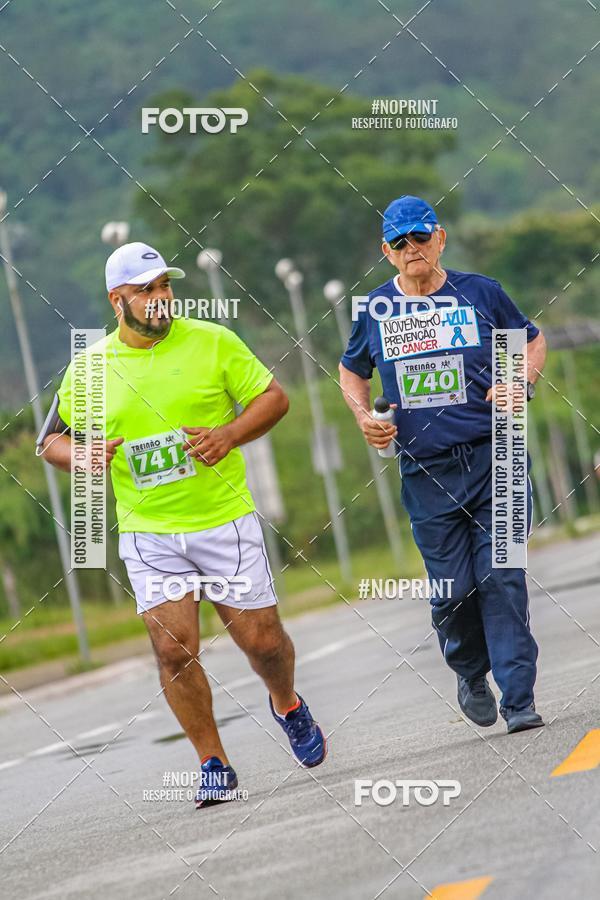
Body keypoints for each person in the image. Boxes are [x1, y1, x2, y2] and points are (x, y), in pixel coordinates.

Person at [38, 241, 326, 808]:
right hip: (149, 532)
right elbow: (50, 441)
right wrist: (82, 455)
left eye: (165, 286)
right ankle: (213, 762)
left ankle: (287, 703)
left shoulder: (213, 341)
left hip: (224, 520)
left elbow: (274, 398)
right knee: (174, 651)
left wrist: (230, 435)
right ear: (117, 300)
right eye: (146, 290)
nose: (161, 298)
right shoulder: (89, 369)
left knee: (263, 642)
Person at [339, 196, 547, 734]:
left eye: (421, 236)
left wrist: (520, 381)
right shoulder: (375, 310)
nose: (413, 248)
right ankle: (470, 672)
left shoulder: (482, 292)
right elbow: (351, 371)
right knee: (453, 591)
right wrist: (363, 416)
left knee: (502, 577)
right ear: (386, 251)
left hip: (496, 457)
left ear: (441, 238)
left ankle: (519, 700)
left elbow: (531, 342)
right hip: (427, 473)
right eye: (400, 242)